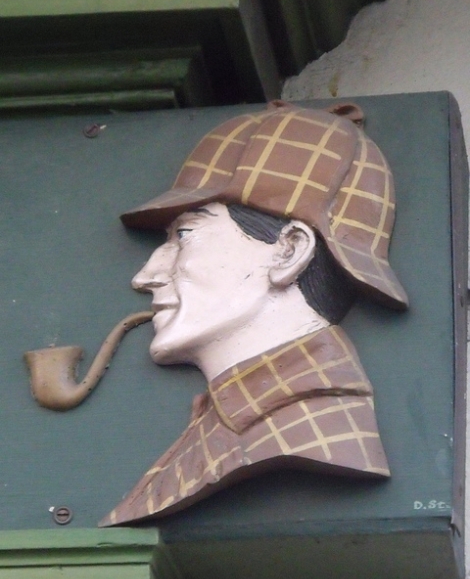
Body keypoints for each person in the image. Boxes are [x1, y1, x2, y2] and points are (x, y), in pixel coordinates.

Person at [99, 100, 408, 527]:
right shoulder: (234, 417)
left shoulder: (310, 427)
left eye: (184, 234)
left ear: (289, 252)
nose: (146, 276)